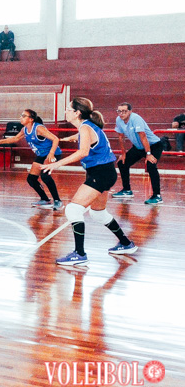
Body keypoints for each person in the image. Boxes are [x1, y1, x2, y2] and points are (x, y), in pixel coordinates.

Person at [42, 98, 136, 266]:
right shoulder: (87, 126)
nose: (66, 111)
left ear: (77, 113)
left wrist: (57, 163)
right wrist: (69, 138)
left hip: (100, 173)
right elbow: (83, 137)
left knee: (73, 209)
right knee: (98, 213)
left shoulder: (85, 127)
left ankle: (79, 254)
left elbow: (83, 152)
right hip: (105, 172)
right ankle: (126, 243)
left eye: (68, 109)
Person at [0, 109, 63, 209]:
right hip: (42, 155)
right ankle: (45, 199)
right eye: (21, 115)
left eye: (24, 116)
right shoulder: (24, 129)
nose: (21, 118)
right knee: (31, 179)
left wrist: (51, 154)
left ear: (31, 119)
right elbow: (15, 138)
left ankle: (57, 201)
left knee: (45, 176)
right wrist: (0, 141)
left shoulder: (38, 128)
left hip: (53, 153)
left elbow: (55, 139)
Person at [112, 103, 163, 205]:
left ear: (130, 111)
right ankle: (127, 190)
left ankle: (157, 196)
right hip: (139, 147)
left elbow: (143, 136)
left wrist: (148, 154)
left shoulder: (136, 119)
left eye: (124, 111)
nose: (121, 113)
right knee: (122, 163)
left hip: (153, 146)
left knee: (151, 166)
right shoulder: (119, 120)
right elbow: (121, 137)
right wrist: (123, 153)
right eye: (119, 111)